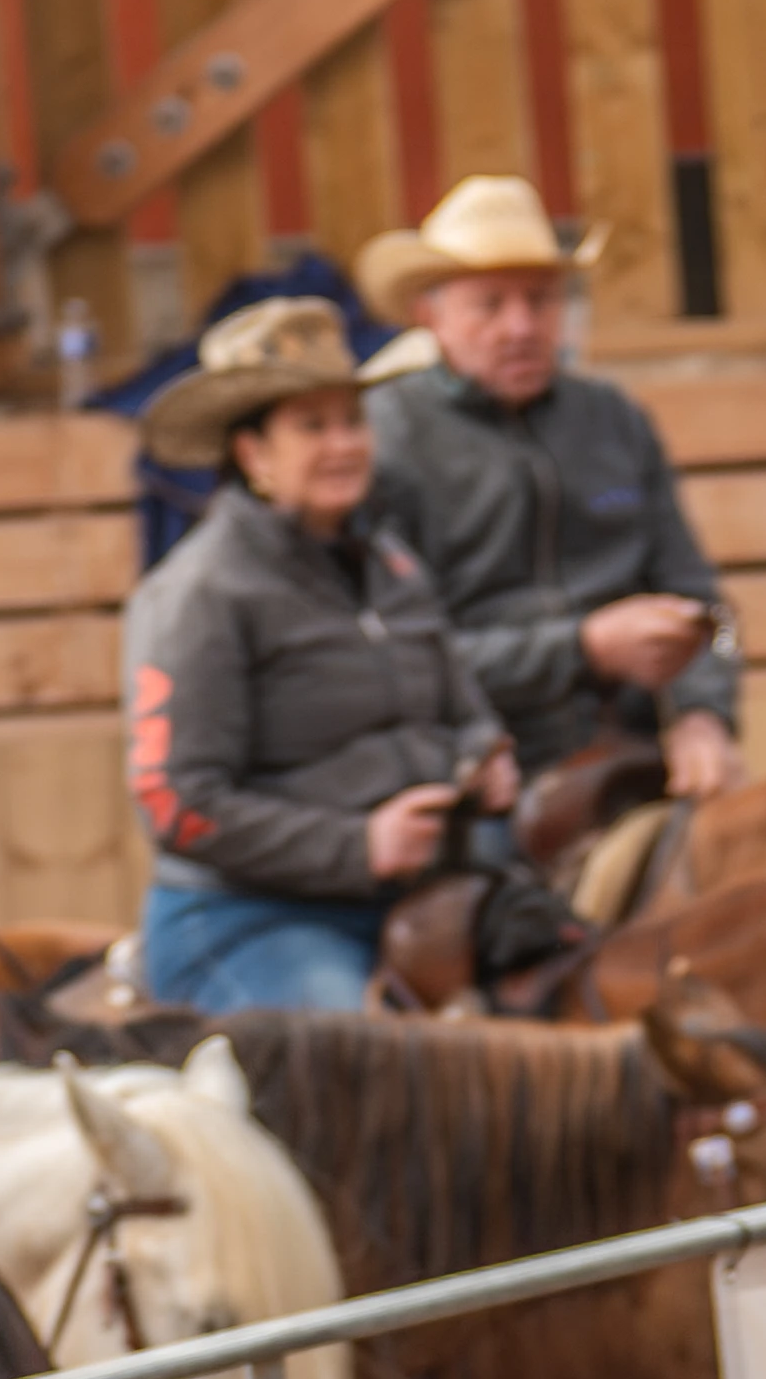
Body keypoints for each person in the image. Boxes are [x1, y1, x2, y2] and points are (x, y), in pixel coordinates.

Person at [123, 295, 510, 1017]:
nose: (344, 445)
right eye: (312, 426)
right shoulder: (200, 593)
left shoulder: (392, 565)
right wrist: (357, 845)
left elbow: (465, 708)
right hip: (246, 920)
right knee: (365, 1065)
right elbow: (176, 803)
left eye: (352, 421)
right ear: (253, 454)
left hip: (421, 902)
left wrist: (483, 753)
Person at [359, 172, 747, 822]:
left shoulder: (615, 419)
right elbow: (399, 657)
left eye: (540, 300)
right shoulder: (384, 438)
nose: (521, 326)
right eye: (489, 304)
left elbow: (708, 608)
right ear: (431, 314)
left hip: (637, 756)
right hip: (474, 769)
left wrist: (705, 713)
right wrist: (582, 648)